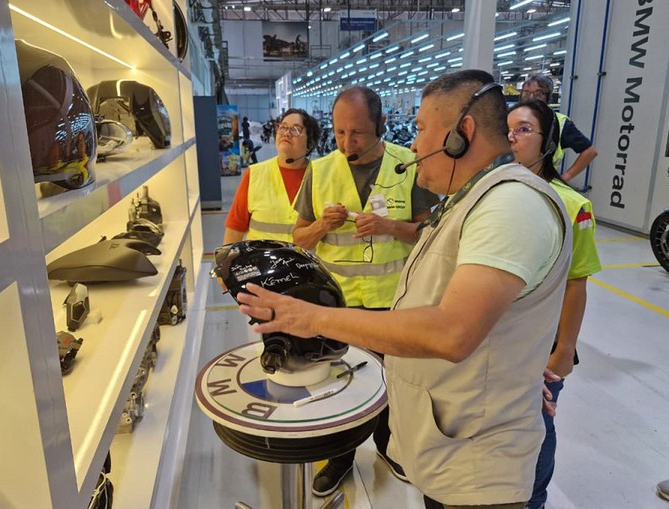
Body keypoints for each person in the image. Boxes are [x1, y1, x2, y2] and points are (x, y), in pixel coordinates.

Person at [236, 70, 573, 509]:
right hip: (452, 446)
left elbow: (452, 333)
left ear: (461, 133)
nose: (413, 145)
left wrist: (310, 317)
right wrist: (517, 363)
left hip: (478, 467)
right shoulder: (471, 200)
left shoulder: (509, 206)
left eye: (420, 129)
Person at [292, 85, 440, 497]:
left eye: (356, 133)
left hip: (393, 304)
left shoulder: (410, 165)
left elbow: (432, 235)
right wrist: (322, 225)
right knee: (338, 381)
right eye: (339, 132)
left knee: (393, 382)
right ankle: (339, 455)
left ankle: (389, 447)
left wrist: (391, 226)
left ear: (381, 125)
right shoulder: (320, 171)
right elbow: (299, 238)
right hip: (335, 306)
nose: (346, 143)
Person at [508, 100, 602, 509]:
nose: (512, 136)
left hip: (542, 344)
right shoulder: (494, 193)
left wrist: (564, 350)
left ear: (549, 142)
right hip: (496, 337)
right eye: (509, 128)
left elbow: (576, 284)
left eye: (525, 129)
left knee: (538, 425)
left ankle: (534, 500)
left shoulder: (572, 205)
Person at [224, 108, 320, 244]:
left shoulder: (320, 177)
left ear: (310, 142)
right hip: (261, 264)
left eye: (295, 129)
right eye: (283, 127)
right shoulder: (254, 175)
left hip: (307, 264)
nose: (286, 133)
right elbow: (235, 229)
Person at [520, 75, 598, 183]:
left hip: (543, 184)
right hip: (512, 180)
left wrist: (566, 177)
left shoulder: (560, 123)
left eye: (538, 93)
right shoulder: (510, 118)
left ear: (547, 97)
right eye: (526, 92)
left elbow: (590, 152)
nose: (531, 97)